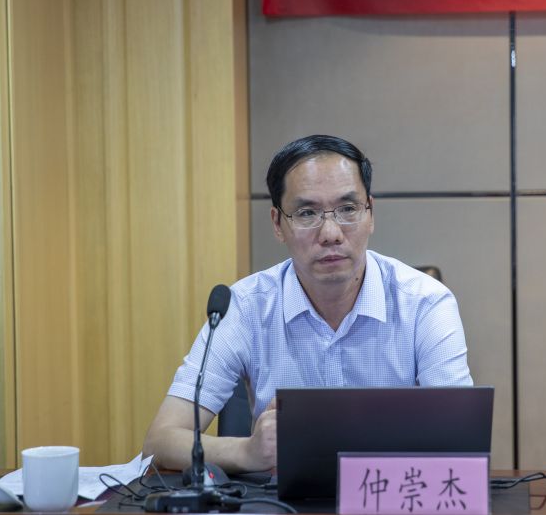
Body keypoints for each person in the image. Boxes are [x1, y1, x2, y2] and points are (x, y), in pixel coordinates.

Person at [142, 134, 472, 474]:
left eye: (348, 209)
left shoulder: (425, 304)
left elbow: (461, 438)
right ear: (277, 224)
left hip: (392, 494)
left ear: (370, 213)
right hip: (281, 498)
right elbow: (160, 440)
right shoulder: (245, 307)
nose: (330, 233)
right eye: (307, 213)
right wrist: (247, 452)